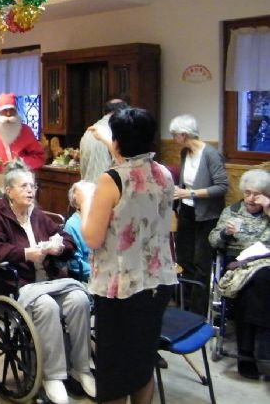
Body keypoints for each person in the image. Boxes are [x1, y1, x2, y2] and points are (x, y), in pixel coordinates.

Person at [80, 107, 178, 404]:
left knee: (114, 371)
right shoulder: (163, 174)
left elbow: (92, 238)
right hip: (158, 282)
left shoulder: (111, 180)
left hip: (121, 289)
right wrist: (110, 141)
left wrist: (85, 201)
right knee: (141, 362)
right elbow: (135, 164)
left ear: (118, 142)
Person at [0, 160, 94, 404]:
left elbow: (65, 238)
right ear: (9, 191)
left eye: (33, 186)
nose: (31, 191)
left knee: (79, 299)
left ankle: (81, 368)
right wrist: (24, 254)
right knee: (47, 306)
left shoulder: (37, 214)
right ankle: (53, 376)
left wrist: (59, 247)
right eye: (24, 186)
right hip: (20, 284)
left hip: (50, 281)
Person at [209, 169, 270, 379]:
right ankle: (257, 349)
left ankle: (247, 352)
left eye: (257, 194)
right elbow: (213, 240)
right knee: (251, 285)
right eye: (247, 193)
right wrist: (225, 233)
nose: (251, 198)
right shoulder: (232, 211)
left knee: (258, 282)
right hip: (239, 265)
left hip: (266, 263)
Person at [170, 114, 229, 315]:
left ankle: (197, 312)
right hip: (186, 211)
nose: (173, 139)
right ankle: (184, 306)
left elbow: (222, 186)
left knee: (201, 263)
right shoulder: (185, 153)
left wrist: (191, 193)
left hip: (207, 216)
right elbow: (185, 183)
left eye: (175, 135)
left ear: (184, 135)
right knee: (184, 259)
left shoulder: (211, 154)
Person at [78, 98, 128, 183]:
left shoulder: (88, 131)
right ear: (123, 113)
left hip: (88, 187)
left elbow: (83, 166)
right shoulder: (118, 130)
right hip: (108, 187)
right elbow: (123, 165)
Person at [63, 181, 95, 282]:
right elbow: (76, 264)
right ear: (77, 204)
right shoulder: (72, 225)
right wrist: (98, 273)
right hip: (87, 278)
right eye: (88, 199)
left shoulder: (98, 222)